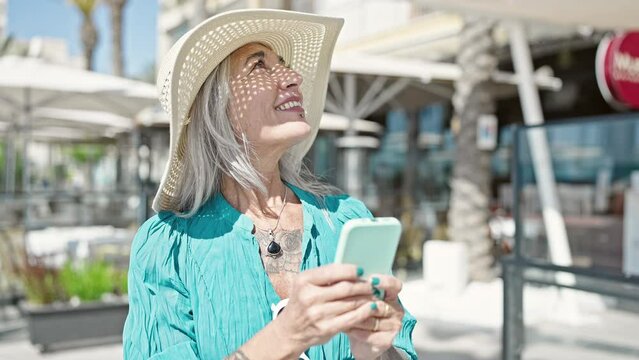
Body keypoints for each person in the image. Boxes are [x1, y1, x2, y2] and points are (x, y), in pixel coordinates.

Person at [123, 9, 417, 360]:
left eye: (285, 64)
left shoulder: (345, 221)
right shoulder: (169, 248)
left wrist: (379, 351)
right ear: (218, 107)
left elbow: (395, 351)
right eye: (259, 66)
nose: (293, 77)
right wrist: (285, 337)